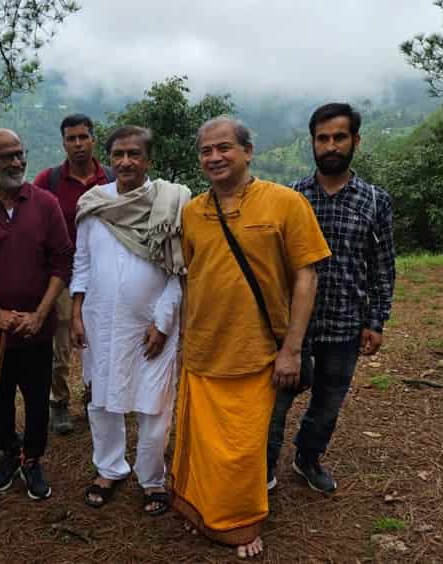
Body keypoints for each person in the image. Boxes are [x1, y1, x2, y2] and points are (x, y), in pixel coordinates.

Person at [170, 117, 330, 559]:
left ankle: (238, 525)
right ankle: (198, 510)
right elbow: (192, 278)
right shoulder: (193, 212)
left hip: (258, 350)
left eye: (224, 148)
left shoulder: (285, 203)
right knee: (202, 444)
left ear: (247, 151)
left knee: (242, 449)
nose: (215, 157)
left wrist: (292, 349)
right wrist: (184, 337)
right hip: (203, 349)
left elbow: (306, 277)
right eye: (206, 151)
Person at [267, 103, 396, 493]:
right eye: (322, 138)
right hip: (294, 325)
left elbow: (383, 266)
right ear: (312, 143)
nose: (330, 146)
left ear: (355, 141)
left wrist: (376, 320)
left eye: (339, 137)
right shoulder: (292, 197)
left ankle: (307, 458)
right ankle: (262, 471)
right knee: (276, 403)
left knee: (327, 404)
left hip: (345, 322)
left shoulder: (375, 201)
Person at [70, 126, 188, 516]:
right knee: (102, 401)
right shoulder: (94, 205)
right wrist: (75, 312)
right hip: (100, 321)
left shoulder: (169, 203)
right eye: (118, 154)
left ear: (148, 160)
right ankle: (109, 469)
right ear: (109, 159)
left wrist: (164, 323)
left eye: (134, 154)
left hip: (152, 328)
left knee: (154, 407)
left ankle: (152, 479)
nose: (125, 162)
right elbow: (82, 263)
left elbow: (177, 271)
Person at [0, 128, 73, 501]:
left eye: (20, 154)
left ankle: (33, 459)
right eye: (7, 156)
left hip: (38, 329)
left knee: (37, 398)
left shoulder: (45, 204)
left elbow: (61, 262)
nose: (17, 162)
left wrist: (39, 314)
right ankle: (8, 452)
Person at [32, 114, 115, 435]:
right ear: (63, 142)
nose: (78, 144)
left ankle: (98, 393)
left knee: (102, 336)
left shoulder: (110, 178)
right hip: (62, 275)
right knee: (61, 341)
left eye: (83, 137)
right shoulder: (48, 181)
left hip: (104, 273)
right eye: (71, 138)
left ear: (93, 139)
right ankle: (59, 401)